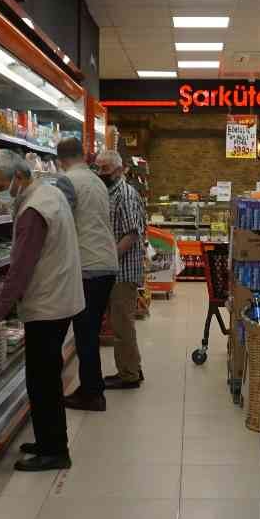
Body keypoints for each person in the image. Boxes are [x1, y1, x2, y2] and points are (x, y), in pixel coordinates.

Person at [0, 149, 84, 471]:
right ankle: (47, 440)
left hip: (47, 304)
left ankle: (54, 451)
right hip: (59, 298)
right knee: (45, 376)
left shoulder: (33, 210)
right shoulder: (49, 193)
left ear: (19, 177)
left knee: (43, 380)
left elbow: (20, 270)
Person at [56, 138, 117, 412]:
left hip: (87, 266)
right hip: (106, 262)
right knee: (89, 332)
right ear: (83, 155)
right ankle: (92, 388)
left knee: (85, 335)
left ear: (60, 160)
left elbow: (62, 223)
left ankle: (92, 394)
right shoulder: (97, 181)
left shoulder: (67, 181)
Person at [97, 150, 146, 389]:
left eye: (105, 169)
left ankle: (128, 375)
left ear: (118, 170)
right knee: (121, 323)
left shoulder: (125, 195)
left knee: (122, 324)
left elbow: (131, 234)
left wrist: (110, 258)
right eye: (98, 168)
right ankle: (133, 367)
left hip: (123, 271)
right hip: (117, 270)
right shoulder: (112, 192)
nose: (100, 173)